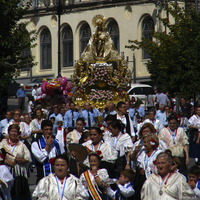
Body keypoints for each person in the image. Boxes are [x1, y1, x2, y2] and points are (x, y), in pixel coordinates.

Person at [0, 124, 32, 200]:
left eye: (15, 131)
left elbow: (28, 158)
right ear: (9, 132)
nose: (13, 133)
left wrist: (20, 160)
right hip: (5, 174)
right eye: (12, 131)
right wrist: (6, 161)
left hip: (18, 174)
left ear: (18, 133)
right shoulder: (2, 144)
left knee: (18, 195)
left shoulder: (22, 145)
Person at [31, 119, 65, 184]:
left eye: (50, 129)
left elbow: (63, 158)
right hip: (43, 178)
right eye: (46, 129)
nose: (49, 132)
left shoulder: (57, 143)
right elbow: (41, 159)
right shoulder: (36, 144)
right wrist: (48, 145)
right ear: (42, 130)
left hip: (57, 178)